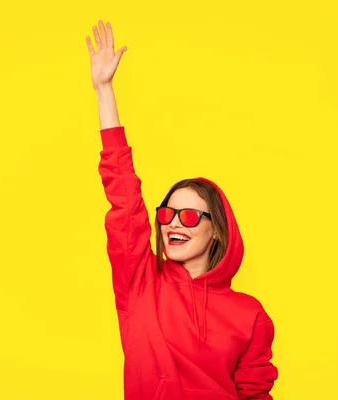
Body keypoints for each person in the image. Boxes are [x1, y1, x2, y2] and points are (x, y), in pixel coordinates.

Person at [86, 20, 278, 400]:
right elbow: (124, 198)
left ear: (217, 231)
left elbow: (256, 394)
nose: (174, 223)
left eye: (190, 216)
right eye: (167, 214)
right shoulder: (140, 286)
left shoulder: (250, 315)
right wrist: (104, 91)